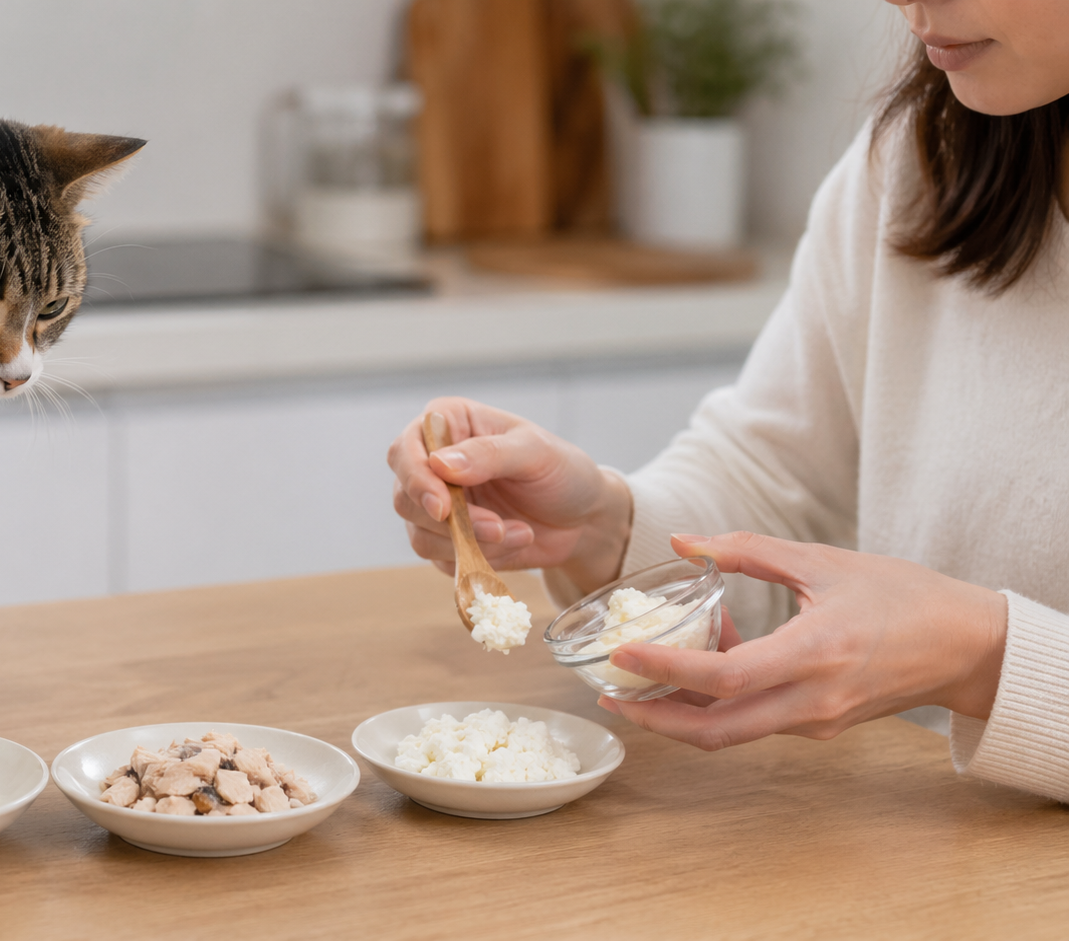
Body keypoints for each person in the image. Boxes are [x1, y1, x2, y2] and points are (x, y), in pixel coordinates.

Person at [387, 0, 1069, 803]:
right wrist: (604, 524)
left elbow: (941, 639)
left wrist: (983, 657)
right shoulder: (930, 151)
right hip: (918, 853)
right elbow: (781, 484)